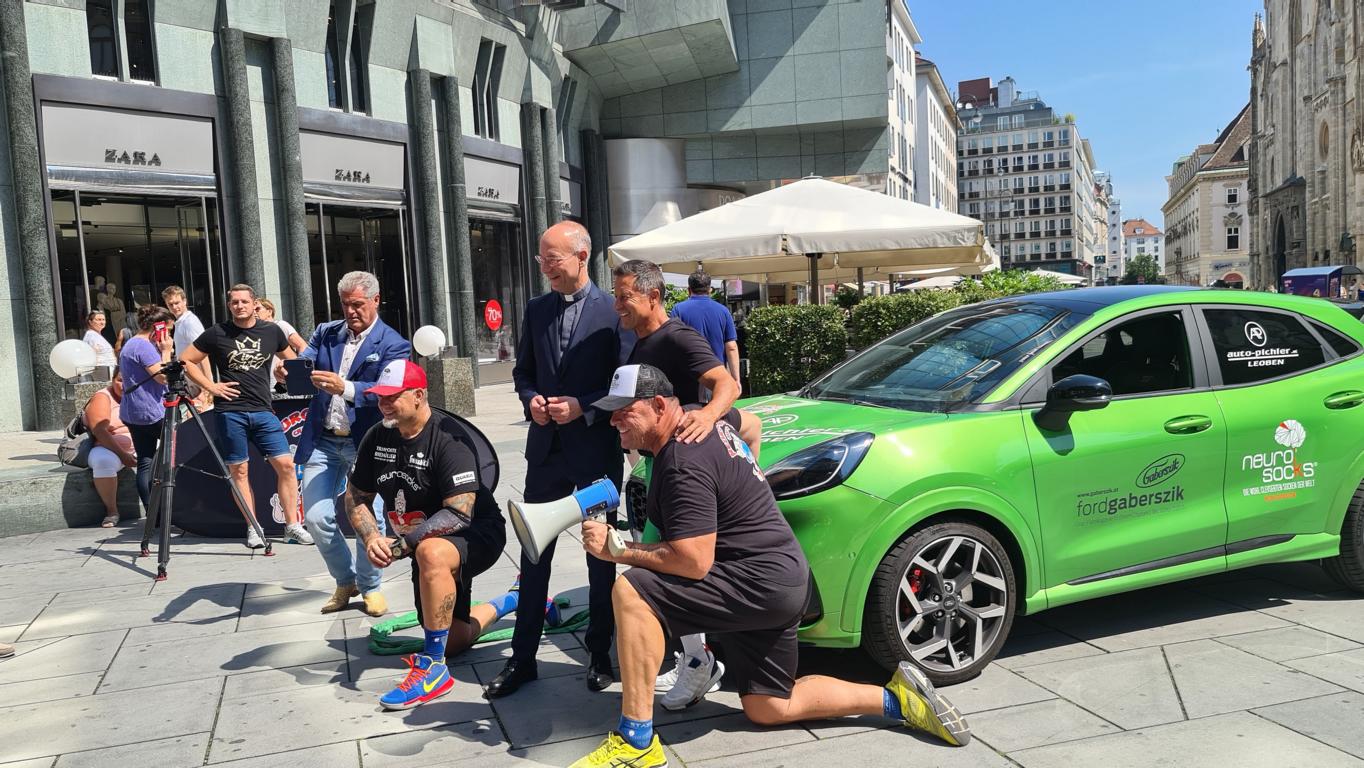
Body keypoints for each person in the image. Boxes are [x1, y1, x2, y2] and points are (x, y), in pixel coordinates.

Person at [570, 365, 971, 767]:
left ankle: (636, 743)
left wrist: (617, 550)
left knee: (633, 589)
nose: (615, 419)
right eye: (612, 410)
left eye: (626, 410)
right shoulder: (702, 416)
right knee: (768, 707)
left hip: (754, 583)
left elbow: (693, 562)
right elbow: (753, 425)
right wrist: (741, 486)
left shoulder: (682, 463)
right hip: (782, 577)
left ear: (659, 405)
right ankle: (896, 699)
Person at [613, 259, 762, 711]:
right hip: (661, 471)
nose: (618, 305)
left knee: (665, 565)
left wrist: (707, 416)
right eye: (617, 296)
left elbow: (729, 388)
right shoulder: (638, 340)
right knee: (659, 565)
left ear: (653, 297)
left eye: (626, 298)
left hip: (685, 473)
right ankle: (695, 656)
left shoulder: (676, 335)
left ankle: (698, 661)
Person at [496, 220, 630, 699]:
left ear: (582, 256)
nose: (546, 268)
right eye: (541, 259)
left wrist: (584, 407)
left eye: (552, 258)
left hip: (594, 451)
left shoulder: (613, 313)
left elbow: (623, 383)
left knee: (600, 553)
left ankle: (599, 655)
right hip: (546, 451)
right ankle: (523, 657)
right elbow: (523, 370)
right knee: (534, 554)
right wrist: (530, 398)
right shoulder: (536, 309)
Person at [344, 360, 507, 710]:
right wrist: (372, 537)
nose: (383, 404)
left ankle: (433, 668)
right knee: (453, 638)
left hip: (478, 531)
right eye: (379, 397)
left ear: (419, 396)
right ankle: (514, 600)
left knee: (431, 553)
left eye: (392, 396)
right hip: (421, 543)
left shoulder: (450, 439)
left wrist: (402, 545)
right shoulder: (378, 435)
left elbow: (459, 511)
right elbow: (356, 496)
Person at [289, 271, 411, 617]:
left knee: (369, 518)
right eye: (345, 305)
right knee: (315, 517)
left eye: (357, 304)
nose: (350, 311)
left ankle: (371, 586)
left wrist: (346, 388)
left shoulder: (393, 343)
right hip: (324, 440)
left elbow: (391, 392)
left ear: (376, 300)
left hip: (366, 442)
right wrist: (291, 372)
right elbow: (306, 362)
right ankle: (347, 580)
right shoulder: (326, 332)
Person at [181, 284, 312, 549]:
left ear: (255, 305)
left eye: (244, 301)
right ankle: (253, 527)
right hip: (230, 412)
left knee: (286, 466)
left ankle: (292, 526)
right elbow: (184, 359)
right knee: (240, 471)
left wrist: (284, 375)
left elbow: (291, 363)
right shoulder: (217, 333)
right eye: (234, 302)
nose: (239, 306)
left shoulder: (272, 331)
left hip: (264, 410)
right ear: (229, 306)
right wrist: (210, 386)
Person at [118, 305, 176, 516]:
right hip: (151, 411)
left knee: (145, 460)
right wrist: (166, 350)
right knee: (175, 454)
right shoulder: (143, 347)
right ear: (157, 327)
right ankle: (167, 511)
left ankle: (154, 514)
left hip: (133, 412)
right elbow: (163, 376)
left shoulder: (130, 344)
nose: (169, 335)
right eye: (168, 330)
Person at [670, 269, 741, 393]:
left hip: (688, 378)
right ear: (710, 290)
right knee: (717, 412)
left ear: (688, 289)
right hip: (717, 378)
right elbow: (731, 347)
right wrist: (736, 380)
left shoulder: (678, 310)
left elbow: (672, 344)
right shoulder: (723, 311)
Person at [83, 367, 137, 528]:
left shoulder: (141, 394)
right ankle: (112, 511)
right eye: (120, 380)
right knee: (103, 461)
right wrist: (123, 455)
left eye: (129, 381)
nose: (124, 385)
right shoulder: (102, 397)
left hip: (140, 445)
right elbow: (99, 430)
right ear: (112, 380)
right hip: (108, 447)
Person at [162, 285, 212, 406]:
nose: (174, 307)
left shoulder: (190, 322)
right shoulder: (180, 322)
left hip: (195, 380)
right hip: (188, 378)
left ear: (185, 301)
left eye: (177, 303)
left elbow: (203, 353)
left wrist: (208, 384)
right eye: (170, 304)